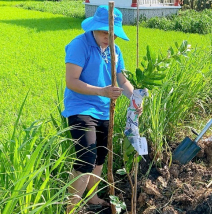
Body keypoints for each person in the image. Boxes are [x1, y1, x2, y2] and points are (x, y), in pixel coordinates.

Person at [62, 5, 142, 213]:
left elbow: (122, 80)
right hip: (81, 108)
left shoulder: (115, 50)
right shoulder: (79, 45)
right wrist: (101, 91)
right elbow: (71, 81)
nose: (108, 37)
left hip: (104, 109)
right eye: (104, 32)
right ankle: (71, 208)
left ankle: (93, 197)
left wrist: (135, 99)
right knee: (86, 157)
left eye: (112, 34)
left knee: (99, 156)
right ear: (94, 28)